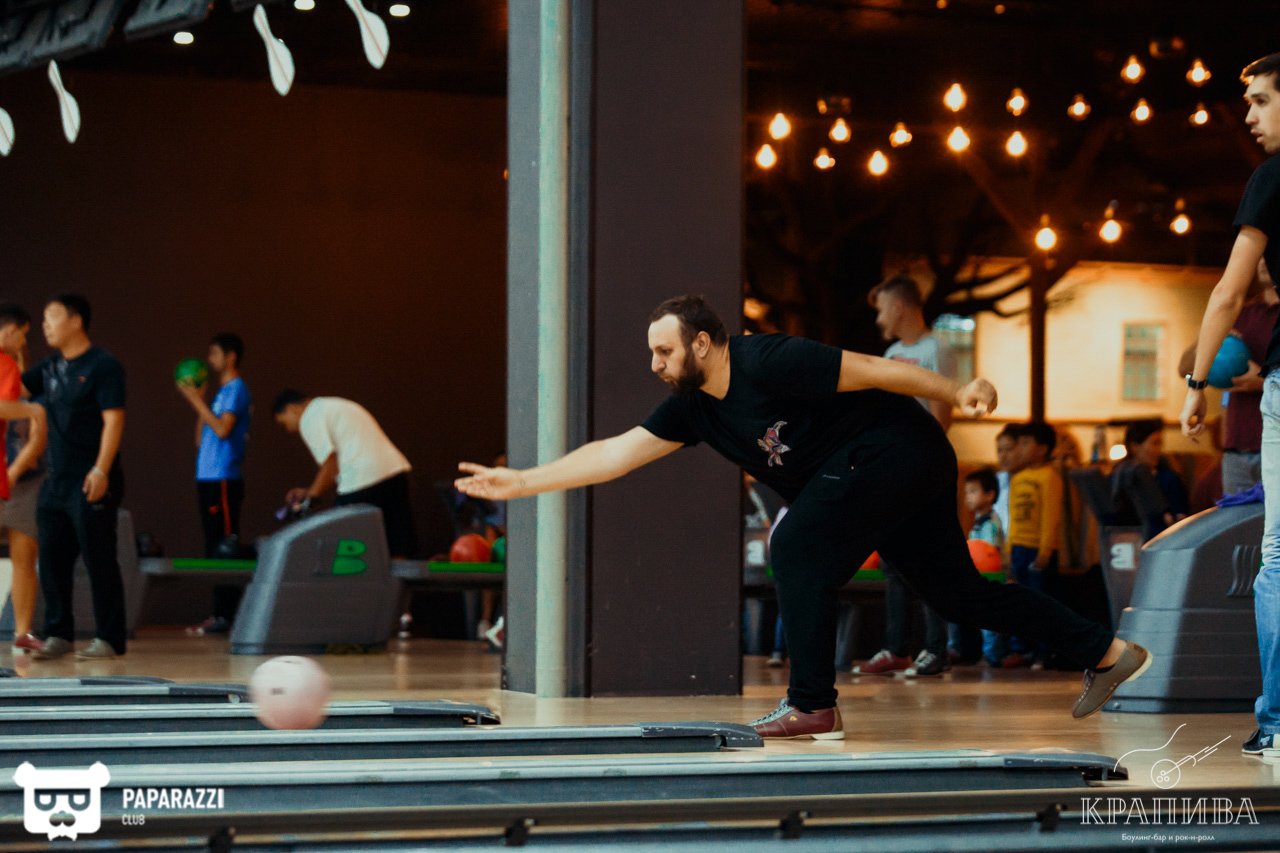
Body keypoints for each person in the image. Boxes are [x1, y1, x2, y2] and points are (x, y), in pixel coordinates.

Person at [456, 295, 1146, 739]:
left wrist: (956, 389)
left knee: (793, 546)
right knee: (959, 595)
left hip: (897, 448)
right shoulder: (693, 409)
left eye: (664, 350)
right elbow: (614, 454)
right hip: (888, 471)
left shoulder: (770, 359)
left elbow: (875, 369)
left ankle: (813, 704)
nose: (655, 363)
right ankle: (1108, 652)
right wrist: (524, 482)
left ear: (703, 344)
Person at [1180, 51, 1280, 758]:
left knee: (1279, 554)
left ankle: (1278, 723)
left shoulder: (1272, 177)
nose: (1248, 115)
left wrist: (1195, 385)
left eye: (1262, 101)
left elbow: (1227, 292)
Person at [855, 274, 955, 678]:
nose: (878, 318)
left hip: (924, 466)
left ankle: (935, 648)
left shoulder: (937, 349)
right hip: (892, 467)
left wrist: (925, 462)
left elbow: (943, 410)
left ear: (898, 306)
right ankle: (897, 648)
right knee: (893, 560)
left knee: (930, 557)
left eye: (881, 309)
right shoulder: (892, 352)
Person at [22, 294, 127, 660]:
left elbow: (114, 420)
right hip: (56, 481)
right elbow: (15, 388)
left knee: (99, 559)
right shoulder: (50, 367)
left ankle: (109, 638)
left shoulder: (103, 365)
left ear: (76, 320)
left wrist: (101, 469)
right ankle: (58, 634)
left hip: (91, 477)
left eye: (51, 317)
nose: (44, 325)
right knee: (52, 560)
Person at [273, 390, 417, 558]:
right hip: (394, 472)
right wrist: (310, 492)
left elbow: (330, 465)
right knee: (397, 544)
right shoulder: (333, 405)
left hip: (362, 482)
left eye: (284, 423)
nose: (289, 429)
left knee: (346, 549)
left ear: (291, 408)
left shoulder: (310, 417)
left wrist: (308, 501)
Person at [177, 333, 252, 636]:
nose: (210, 360)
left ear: (230, 356)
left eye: (214, 354)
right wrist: (202, 400)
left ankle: (229, 615)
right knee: (212, 548)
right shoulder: (221, 392)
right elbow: (201, 439)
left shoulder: (236, 388)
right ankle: (219, 613)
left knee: (225, 548)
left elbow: (222, 430)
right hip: (207, 477)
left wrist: (195, 400)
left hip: (223, 478)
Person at [0, 304, 47, 654]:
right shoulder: (5, 366)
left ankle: (22, 631)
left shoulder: (17, 372)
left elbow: (37, 438)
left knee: (24, 552)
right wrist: (33, 409)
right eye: (22, 335)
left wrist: (15, 471)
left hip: (23, 478)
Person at [1002, 421, 1063, 669]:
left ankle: (1044, 652)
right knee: (1020, 601)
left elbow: (1051, 516)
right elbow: (1012, 517)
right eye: (1019, 443)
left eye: (1026, 443)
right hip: (1018, 548)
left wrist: (1045, 549)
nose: (1021, 449)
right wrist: (1008, 549)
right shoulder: (1018, 478)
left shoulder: (1050, 477)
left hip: (1038, 550)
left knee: (1042, 602)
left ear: (1042, 449)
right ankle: (1022, 649)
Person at [1222, 261, 1279, 494]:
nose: (1263, 261)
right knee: (1235, 518)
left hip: (1275, 445)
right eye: (1259, 254)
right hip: (1236, 451)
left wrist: (1263, 382)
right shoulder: (1241, 313)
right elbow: (1185, 367)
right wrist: (1217, 343)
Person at [1110, 420, 1190, 542]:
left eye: (1160, 444)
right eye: (1154, 443)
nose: (1158, 450)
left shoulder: (1170, 479)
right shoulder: (1117, 478)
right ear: (1134, 447)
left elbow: (1182, 518)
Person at [964, 467, 1007, 667]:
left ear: (990, 495)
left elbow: (989, 551)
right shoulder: (977, 522)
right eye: (966, 492)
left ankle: (993, 655)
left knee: (989, 618)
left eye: (973, 491)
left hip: (991, 576)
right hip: (979, 575)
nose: (968, 497)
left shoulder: (991, 522)